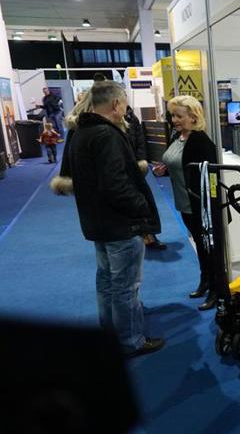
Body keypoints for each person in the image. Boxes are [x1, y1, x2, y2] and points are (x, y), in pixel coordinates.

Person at [67, 80, 165, 358]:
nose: (125, 108)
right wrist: (141, 207)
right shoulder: (106, 135)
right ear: (115, 104)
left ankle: (111, 334)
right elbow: (115, 184)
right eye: (124, 103)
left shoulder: (81, 132)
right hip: (120, 224)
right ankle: (130, 341)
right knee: (125, 287)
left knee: (107, 282)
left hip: (97, 222)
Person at [152, 95, 220, 311]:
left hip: (201, 206)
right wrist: (164, 169)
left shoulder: (200, 141)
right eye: (173, 115)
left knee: (210, 249)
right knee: (200, 245)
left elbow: (210, 176)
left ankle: (216, 290)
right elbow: (178, 163)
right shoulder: (178, 136)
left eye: (179, 116)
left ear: (193, 117)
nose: (174, 120)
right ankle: (205, 281)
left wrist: (208, 204)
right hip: (184, 202)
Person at [125, 105, 167, 251]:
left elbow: (140, 142)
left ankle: (149, 236)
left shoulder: (132, 118)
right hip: (119, 170)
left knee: (144, 203)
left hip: (135, 168)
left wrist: (140, 162)